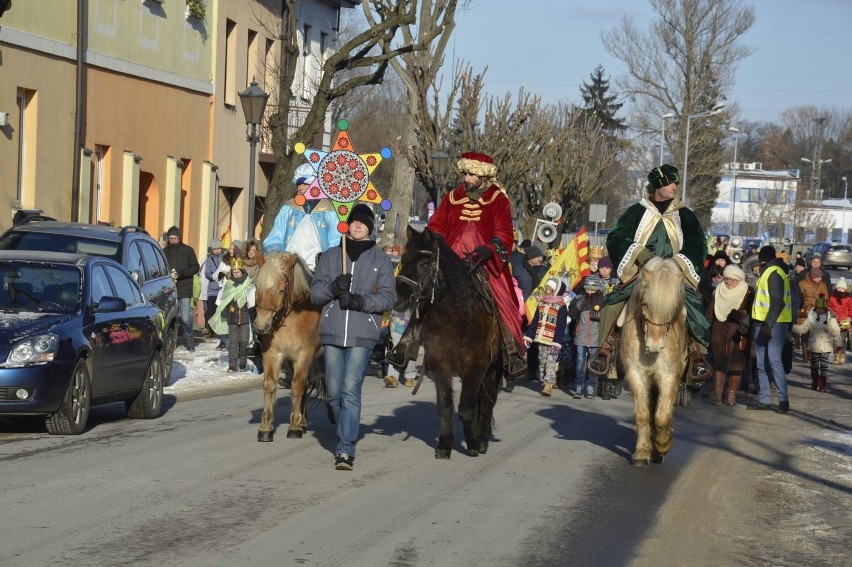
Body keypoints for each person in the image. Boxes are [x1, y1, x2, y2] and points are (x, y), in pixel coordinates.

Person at [389, 151, 527, 384]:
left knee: (502, 297)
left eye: (472, 174)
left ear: (483, 175)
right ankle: (406, 345)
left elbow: (504, 232)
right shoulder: (452, 196)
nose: (468, 178)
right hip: (451, 257)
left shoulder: (498, 199)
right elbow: (437, 224)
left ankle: (511, 352)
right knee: (427, 290)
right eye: (465, 173)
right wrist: (437, 240)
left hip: (483, 260)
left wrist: (490, 248)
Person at [588, 164, 711, 384]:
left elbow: (698, 243)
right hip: (642, 274)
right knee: (611, 308)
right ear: (657, 186)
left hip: (674, 274)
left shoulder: (685, 215)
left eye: (676, 183)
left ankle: (696, 356)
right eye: (670, 182)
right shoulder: (635, 212)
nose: (675, 186)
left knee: (694, 309)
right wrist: (641, 254)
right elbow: (616, 237)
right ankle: (605, 352)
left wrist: (678, 262)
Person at [310, 203, 396, 470]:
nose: (358, 226)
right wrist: (334, 288)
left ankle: (345, 447)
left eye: (363, 223)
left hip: (362, 331)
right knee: (334, 392)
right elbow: (315, 294)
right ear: (347, 226)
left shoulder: (380, 259)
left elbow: (389, 297)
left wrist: (359, 301)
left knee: (350, 388)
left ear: (370, 228)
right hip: (332, 330)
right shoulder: (331, 256)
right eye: (354, 222)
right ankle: (343, 422)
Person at [263, 163, 340, 270]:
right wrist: (280, 255)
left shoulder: (329, 211)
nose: (301, 187)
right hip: (290, 268)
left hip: (320, 269)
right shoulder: (288, 209)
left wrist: (326, 259)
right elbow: (275, 237)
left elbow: (336, 240)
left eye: (305, 183)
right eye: (299, 184)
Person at [748, 245, 793, 413]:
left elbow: (777, 302)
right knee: (761, 363)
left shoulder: (773, 273)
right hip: (763, 324)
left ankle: (783, 401)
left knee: (774, 361)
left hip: (773, 325)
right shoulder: (769, 273)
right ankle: (764, 400)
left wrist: (768, 324)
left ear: (762, 260)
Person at [705, 264, 754, 406]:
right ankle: (717, 394)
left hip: (738, 331)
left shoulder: (747, 291)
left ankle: (731, 396)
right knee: (718, 361)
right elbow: (710, 312)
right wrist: (705, 326)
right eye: (726, 279)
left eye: (732, 279)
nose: (728, 282)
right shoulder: (718, 290)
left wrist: (740, 315)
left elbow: (749, 311)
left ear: (739, 280)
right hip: (718, 329)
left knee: (736, 364)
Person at [208, 258, 256, 372]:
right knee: (233, 342)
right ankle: (233, 364)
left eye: (238, 272)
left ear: (242, 271)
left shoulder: (249, 283)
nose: (236, 274)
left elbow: (252, 299)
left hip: (245, 316)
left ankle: (243, 361)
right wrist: (225, 312)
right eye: (234, 272)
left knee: (244, 340)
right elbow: (225, 299)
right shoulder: (229, 284)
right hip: (232, 316)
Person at [523, 278, 568, 396]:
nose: (547, 292)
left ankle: (549, 384)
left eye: (550, 290)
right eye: (547, 289)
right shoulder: (541, 303)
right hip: (541, 338)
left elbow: (561, 325)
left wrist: (557, 342)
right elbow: (535, 322)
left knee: (550, 361)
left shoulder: (561, 306)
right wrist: (529, 337)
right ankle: (545, 381)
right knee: (542, 361)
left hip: (553, 340)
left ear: (557, 291)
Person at [792, 293, 842, 392]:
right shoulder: (811, 317)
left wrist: (838, 344)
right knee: (814, 367)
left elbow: (836, 331)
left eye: (822, 309)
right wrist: (791, 327)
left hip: (826, 346)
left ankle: (822, 385)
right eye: (818, 308)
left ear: (825, 308)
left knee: (824, 367)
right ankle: (815, 381)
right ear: (816, 308)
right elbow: (803, 329)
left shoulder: (830, 318)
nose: (820, 310)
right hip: (814, 345)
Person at [162, 226, 200, 352]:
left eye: (175, 238)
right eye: (171, 238)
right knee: (171, 317)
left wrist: (181, 274)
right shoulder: (165, 251)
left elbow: (195, 267)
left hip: (184, 287)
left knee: (185, 317)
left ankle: (189, 336)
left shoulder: (188, 250)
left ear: (179, 238)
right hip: (169, 289)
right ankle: (171, 340)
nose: (172, 241)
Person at [568, 276, 605, 399]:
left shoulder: (602, 300)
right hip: (581, 336)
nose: (589, 292)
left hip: (595, 337)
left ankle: (591, 387)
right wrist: (577, 304)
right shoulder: (581, 299)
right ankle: (579, 387)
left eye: (592, 289)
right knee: (579, 362)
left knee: (593, 364)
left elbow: (606, 319)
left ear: (597, 289)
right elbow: (572, 315)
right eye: (587, 289)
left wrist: (599, 315)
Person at [797, 267, 829, 364]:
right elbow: (799, 298)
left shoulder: (822, 285)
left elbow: (824, 298)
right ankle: (805, 355)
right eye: (817, 277)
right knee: (805, 334)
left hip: (817, 313)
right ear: (812, 276)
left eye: (820, 277)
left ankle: (810, 354)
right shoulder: (802, 283)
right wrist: (805, 307)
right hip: (805, 312)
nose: (819, 279)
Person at [202, 238, 228, 349]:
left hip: (223, 289)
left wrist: (223, 274)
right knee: (212, 312)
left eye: (218, 248)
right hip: (212, 289)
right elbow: (207, 272)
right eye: (214, 249)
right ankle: (214, 331)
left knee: (223, 315)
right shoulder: (209, 259)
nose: (216, 251)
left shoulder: (225, 258)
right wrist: (214, 276)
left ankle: (223, 338)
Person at [828, 277, 851, 362]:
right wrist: (830, 315)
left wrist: (849, 318)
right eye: (839, 288)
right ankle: (836, 354)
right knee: (835, 338)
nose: (840, 290)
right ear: (836, 288)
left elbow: (850, 309)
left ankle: (842, 353)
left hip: (845, 320)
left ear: (845, 289)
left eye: (842, 288)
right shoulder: (832, 297)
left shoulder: (848, 298)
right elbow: (829, 307)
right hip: (834, 320)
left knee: (843, 337)